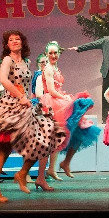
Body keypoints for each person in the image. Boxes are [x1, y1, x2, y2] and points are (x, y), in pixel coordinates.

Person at [0, 30, 65, 202]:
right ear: (7, 44)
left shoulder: (26, 61)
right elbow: (4, 80)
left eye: (17, 39)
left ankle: (22, 173)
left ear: (22, 43)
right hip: (10, 105)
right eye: (11, 40)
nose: (15, 41)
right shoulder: (7, 60)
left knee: (46, 138)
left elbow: (26, 85)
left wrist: (29, 100)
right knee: (3, 148)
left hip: (26, 106)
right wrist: (20, 96)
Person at [41, 41, 100, 185]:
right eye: (50, 53)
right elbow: (51, 90)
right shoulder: (48, 69)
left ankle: (61, 164)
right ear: (46, 54)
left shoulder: (55, 68)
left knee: (79, 128)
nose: (53, 55)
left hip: (59, 99)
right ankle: (51, 170)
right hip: (52, 102)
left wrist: (64, 97)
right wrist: (65, 98)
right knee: (56, 136)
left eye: (55, 53)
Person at [68, 24, 109, 121]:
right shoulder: (107, 40)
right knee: (106, 93)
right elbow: (93, 44)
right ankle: (105, 118)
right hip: (108, 70)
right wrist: (79, 48)